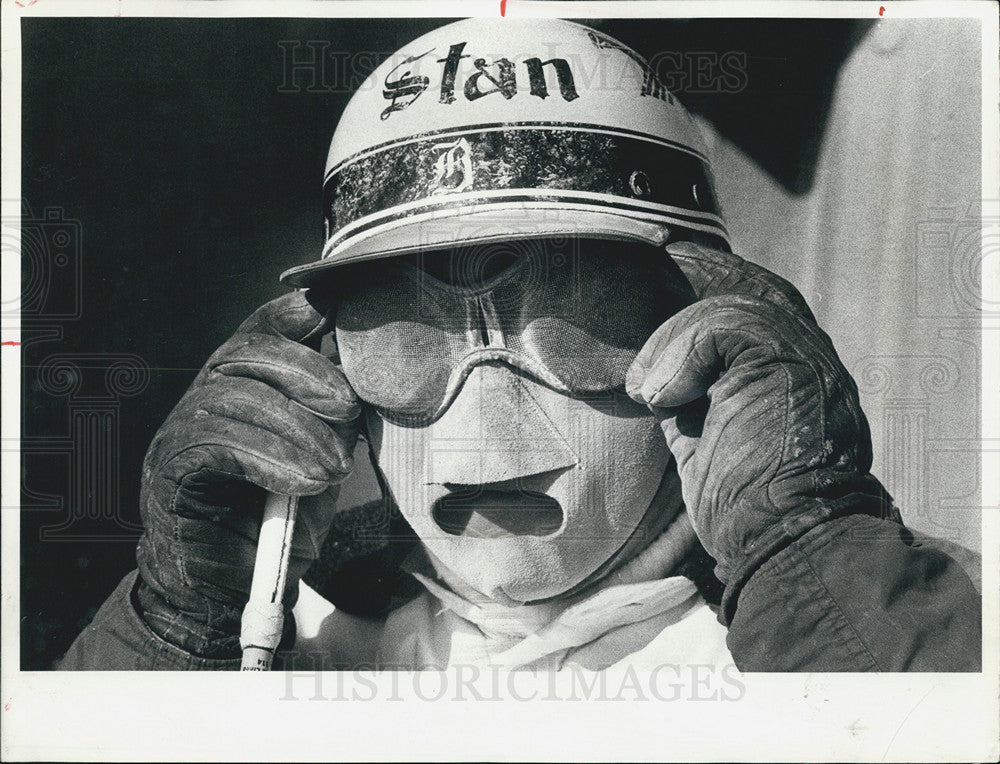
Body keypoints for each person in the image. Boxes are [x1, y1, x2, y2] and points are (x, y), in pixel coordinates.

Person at [58, 17, 981, 672]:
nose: (486, 415)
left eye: (578, 314)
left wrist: (809, 559)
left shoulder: (929, 618)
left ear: (706, 324)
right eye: (405, 330)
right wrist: (172, 634)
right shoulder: (285, 644)